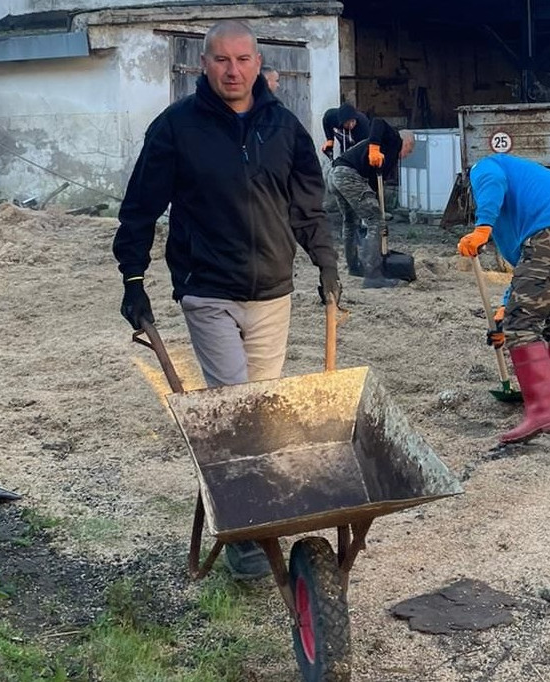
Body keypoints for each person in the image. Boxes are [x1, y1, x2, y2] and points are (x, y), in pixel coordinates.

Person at [112, 20, 341, 578]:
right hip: (207, 288)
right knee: (236, 404)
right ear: (203, 65)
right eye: (221, 60)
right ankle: (246, 534)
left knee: (260, 409)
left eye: (243, 59)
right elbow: (141, 206)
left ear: (259, 65)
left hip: (272, 292)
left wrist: (327, 265)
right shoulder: (175, 129)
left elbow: (307, 207)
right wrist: (133, 279)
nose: (233, 70)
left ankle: (249, 508)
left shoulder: (285, 128)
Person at [457, 155, 550, 443]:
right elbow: (528, 275)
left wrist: (482, 227)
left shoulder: (483, 166)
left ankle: (542, 411)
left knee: (522, 323)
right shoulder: (526, 198)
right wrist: (504, 309)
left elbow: (491, 180)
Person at [325, 119, 415, 287]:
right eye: (409, 151)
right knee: (375, 222)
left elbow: (374, 188)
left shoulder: (387, 158)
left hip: (335, 174)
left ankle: (354, 266)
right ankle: (373, 275)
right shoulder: (394, 139)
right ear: (407, 142)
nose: (406, 155)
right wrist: (374, 147)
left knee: (351, 221)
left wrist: (379, 212)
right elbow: (378, 122)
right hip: (348, 175)